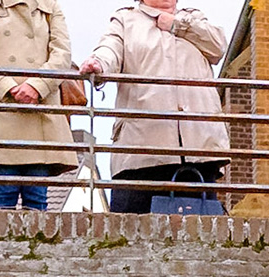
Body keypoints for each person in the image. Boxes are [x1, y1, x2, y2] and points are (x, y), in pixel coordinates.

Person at [80, 0, 230, 214]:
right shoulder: (125, 20)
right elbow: (109, 49)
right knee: (132, 234)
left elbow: (217, 46)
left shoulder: (193, 18)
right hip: (142, 150)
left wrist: (176, 25)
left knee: (198, 234)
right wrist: (98, 63)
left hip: (198, 148)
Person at [0, 0, 76, 211]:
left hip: (39, 108)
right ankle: (0, 244)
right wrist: (7, 86)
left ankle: (38, 244)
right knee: (4, 192)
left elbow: (62, 53)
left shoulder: (49, 4)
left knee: (37, 196)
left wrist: (37, 86)